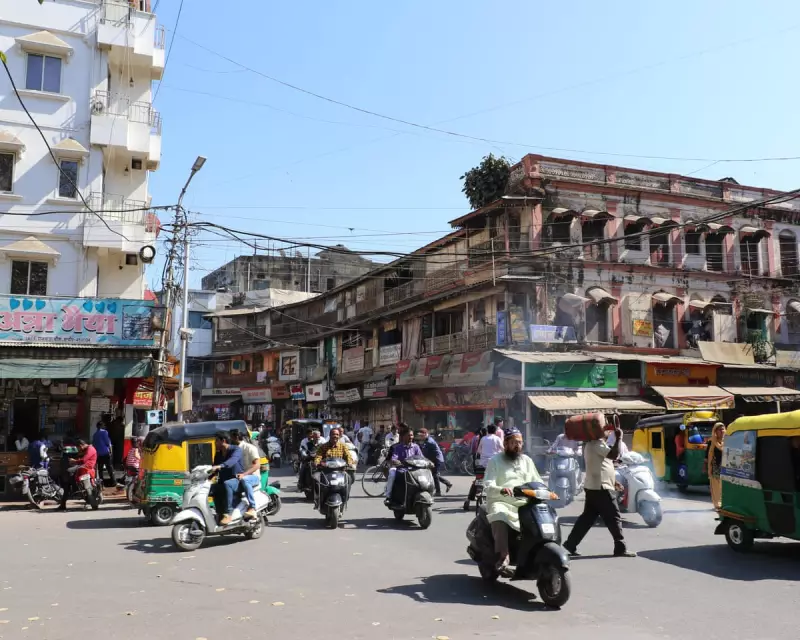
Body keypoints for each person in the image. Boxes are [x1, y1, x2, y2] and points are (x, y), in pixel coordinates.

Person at [563, 425, 636, 558]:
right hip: (601, 488)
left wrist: (613, 481)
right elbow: (614, 455)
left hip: (594, 486)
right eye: (605, 430)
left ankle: (571, 544)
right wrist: (619, 438)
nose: (608, 432)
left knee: (587, 519)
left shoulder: (592, 444)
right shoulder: (597, 444)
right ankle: (620, 547)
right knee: (614, 517)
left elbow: (600, 465)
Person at [484, 427, 543, 574]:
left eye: (520, 442)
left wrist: (546, 491)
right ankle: (503, 556)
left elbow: (538, 481)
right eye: (514, 442)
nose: (517, 445)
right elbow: (488, 484)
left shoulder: (527, 461)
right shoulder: (495, 461)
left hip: (525, 501)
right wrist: (501, 489)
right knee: (499, 514)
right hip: (502, 501)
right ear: (506, 444)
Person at [384, 425, 424, 503]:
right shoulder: (398, 447)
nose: (411, 437)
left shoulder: (416, 447)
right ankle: (388, 496)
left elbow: (421, 457)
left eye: (412, 435)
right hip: (402, 470)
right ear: (403, 437)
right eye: (409, 435)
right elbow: (394, 458)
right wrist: (395, 461)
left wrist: (427, 462)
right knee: (392, 473)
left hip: (414, 470)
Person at [211, 432, 244, 525]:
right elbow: (214, 469)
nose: (215, 443)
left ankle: (229, 513)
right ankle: (219, 513)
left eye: (216, 441)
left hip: (237, 480)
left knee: (227, 483)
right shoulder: (218, 454)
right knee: (212, 488)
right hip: (223, 481)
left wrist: (221, 466)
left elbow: (232, 461)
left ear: (223, 441)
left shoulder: (236, 450)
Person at [59, 438, 98, 511]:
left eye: (79, 447)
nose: (78, 449)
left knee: (69, 473)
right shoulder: (85, 449)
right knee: (68, 479)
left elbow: (84, 460)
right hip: (82, 466)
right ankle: (63, 502)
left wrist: (75, 461)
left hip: (86, 467)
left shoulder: (90, 449)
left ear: (81, 445)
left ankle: (73, 487)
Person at [232, 431, 260, 520]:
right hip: (239, 477)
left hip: (253, 477)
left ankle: (252, 507)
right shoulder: (233, 450)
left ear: (236, 437)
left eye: (231, 438)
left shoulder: (250, 448)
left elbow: (257, 465)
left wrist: (244, 474)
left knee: (245, 479)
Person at [418, 427, 451, 496]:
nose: (420, 437)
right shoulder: (427, 440)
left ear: (425, 434)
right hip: (433, 459)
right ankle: (447, 483)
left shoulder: (429, 442)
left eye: (421, 435)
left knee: (434, 475)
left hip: (436, 459)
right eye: (420, 436)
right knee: (433, 474)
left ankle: (438, 491)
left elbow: (426, 453)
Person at [707, 423, 725, 510]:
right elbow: (707, 456)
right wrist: (706, 467)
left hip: (726, 467)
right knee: (716, 487)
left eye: (723, 429)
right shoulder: (711, 442)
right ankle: (717, 504)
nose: (722, 431)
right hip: (715, 467)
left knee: (724, 486)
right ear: (715, 431)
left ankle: (724, 503)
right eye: (719, 430)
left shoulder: (728, 441)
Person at [92, 421, 115, 487]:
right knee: (109, 468)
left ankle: (101, 484)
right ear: (101, 426)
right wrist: (111, 451)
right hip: (105, 453)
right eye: (104, 425)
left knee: (100, 469)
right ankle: (113, 482)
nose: (104, 426)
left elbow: (94, 445)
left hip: (99, 454)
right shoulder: (104, 432)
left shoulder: (95, 434)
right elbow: (108, 443)